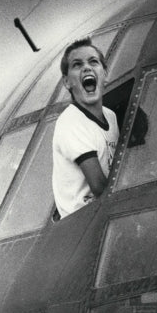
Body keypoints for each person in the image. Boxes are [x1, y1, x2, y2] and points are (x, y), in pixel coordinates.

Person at [52, 38, 119, 218]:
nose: (87, 68)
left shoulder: (110, 117)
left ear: (105, 74)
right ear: (67, 82)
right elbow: (99, 187)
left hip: (100, 212)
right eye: (77, 64)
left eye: (93, 62)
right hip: (80, 221)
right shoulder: (70, 122)